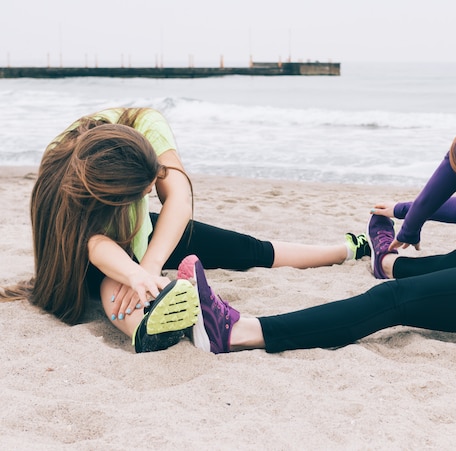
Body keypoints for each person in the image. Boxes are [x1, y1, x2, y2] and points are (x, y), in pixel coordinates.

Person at [177, 68, 456, 355]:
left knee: (393, 302)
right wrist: (398, 209)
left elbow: (437, 192)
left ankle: (240, 331)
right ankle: (389, 263)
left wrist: (410, 226)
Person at [0, 107, 370, 352]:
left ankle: (343, 249)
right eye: (142, 191)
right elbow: (93, 243)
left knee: (246, 249)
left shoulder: (146, 125)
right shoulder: (65, 174)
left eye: (152, 182)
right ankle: (146, 331)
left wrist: (150, 264)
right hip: (83, 249)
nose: (151, 192)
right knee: (112, 282)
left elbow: (178, 198)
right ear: (108, 194)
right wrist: (136, 272)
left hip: (147, 232)